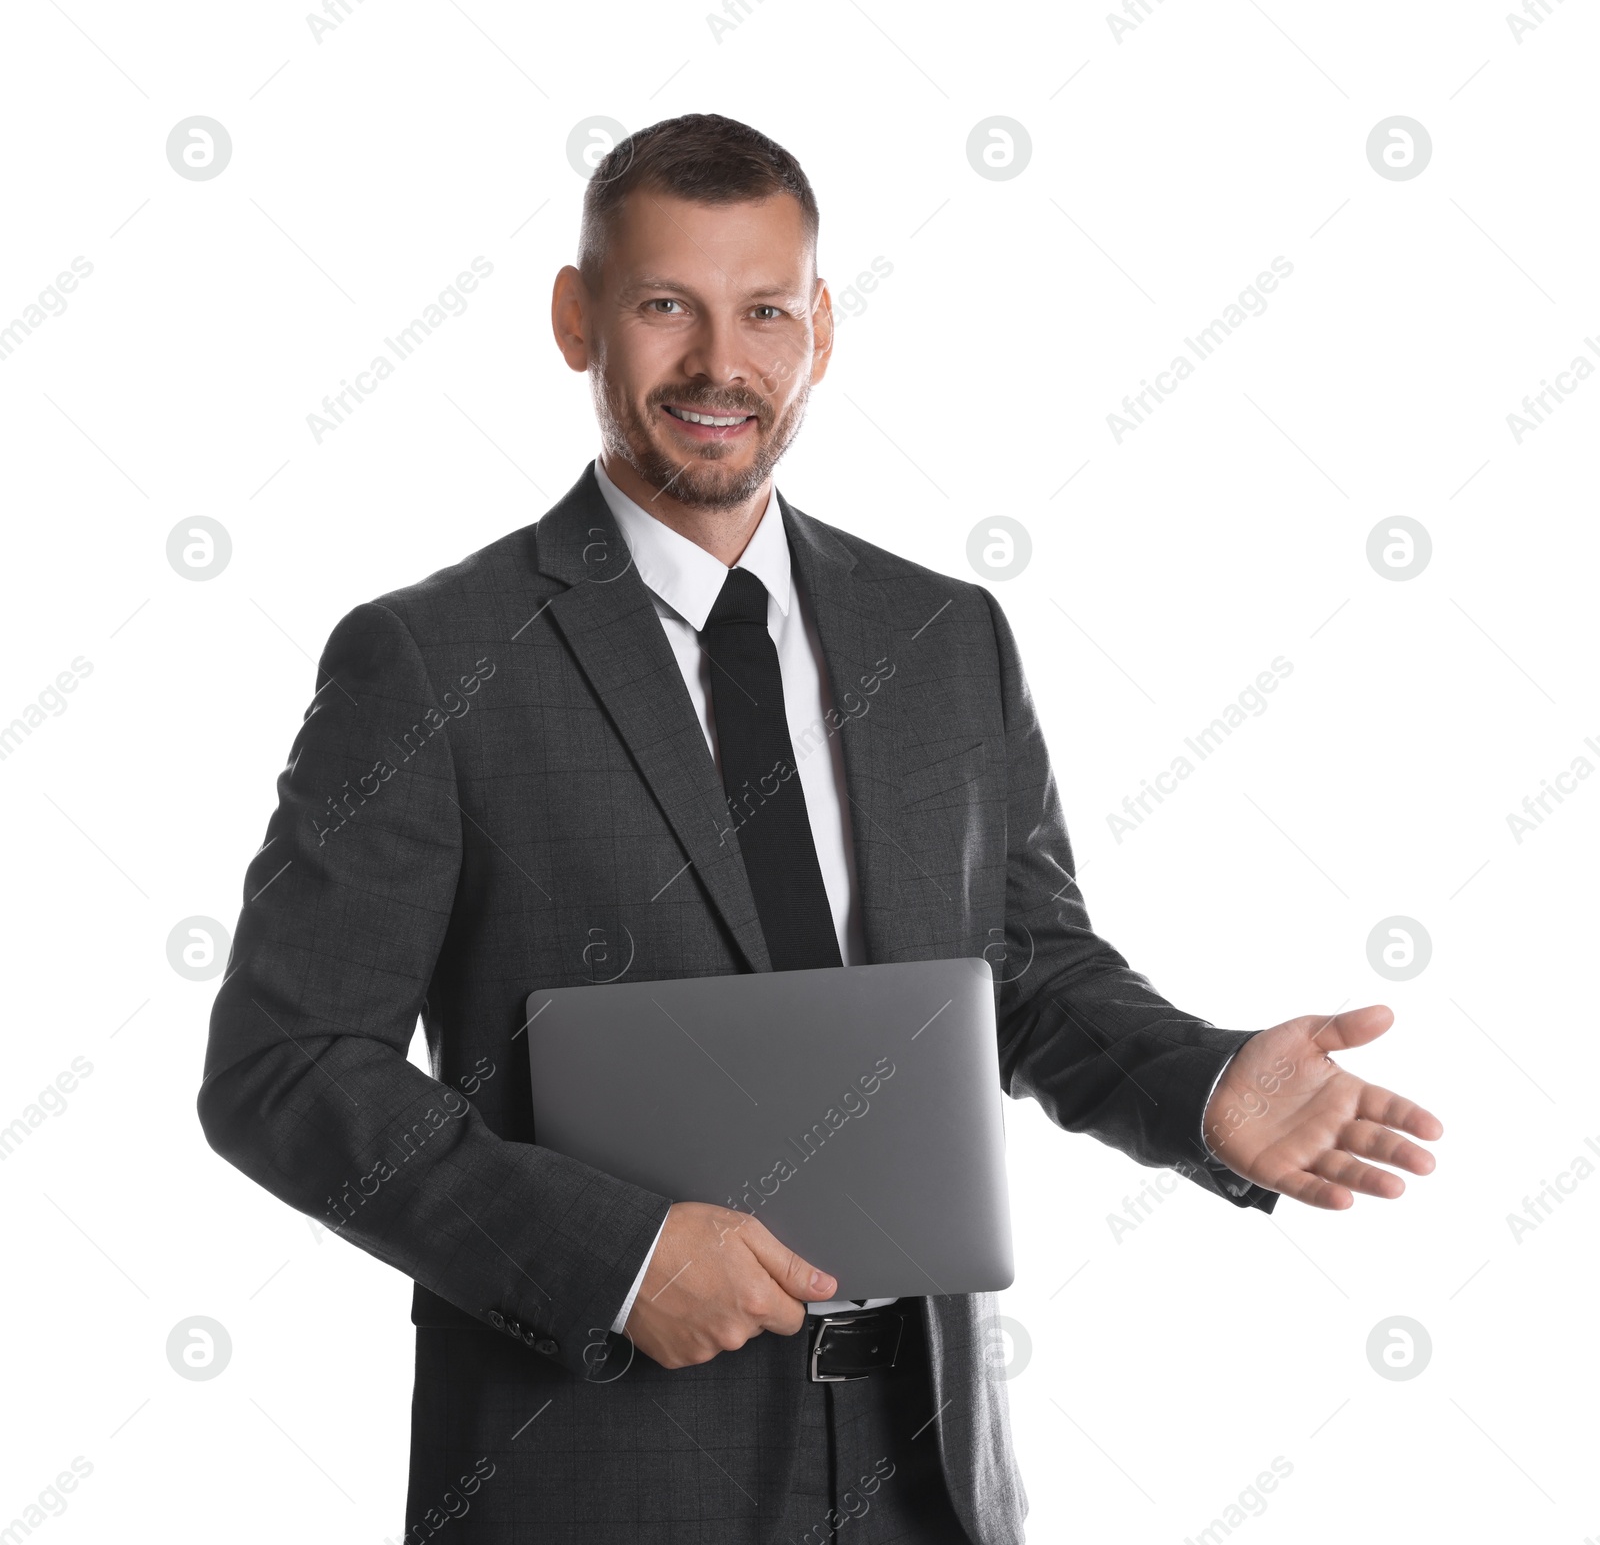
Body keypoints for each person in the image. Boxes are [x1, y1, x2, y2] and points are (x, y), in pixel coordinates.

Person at [198, 112, 1442, 1545]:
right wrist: (619, 1257)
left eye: (765, 310)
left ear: (822, 328)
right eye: (668, 305)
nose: (722, 362)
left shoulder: (943, 634)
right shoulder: (431, 661)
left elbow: (1023, 969)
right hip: (597, 1479)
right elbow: (283, 1069)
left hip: (927, 1471)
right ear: (576, 316)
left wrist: (1203, 1086)